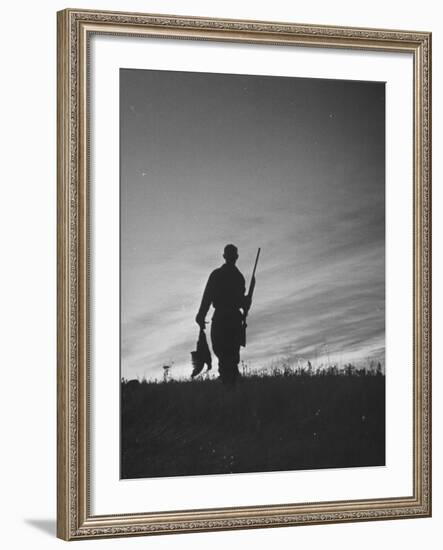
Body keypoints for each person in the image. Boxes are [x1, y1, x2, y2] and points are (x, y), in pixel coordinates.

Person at [195, 244, 251, 385]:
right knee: (231, 357)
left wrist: (201, 316)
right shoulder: (239, 278)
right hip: (233, 321)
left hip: (221, 320)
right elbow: (241, 302)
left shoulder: (217, 275)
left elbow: (207, 298)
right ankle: (231, 388)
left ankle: (228, 389)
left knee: (224, 356)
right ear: (236, 257)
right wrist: (246, 302)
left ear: (224, 256)